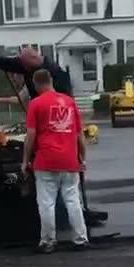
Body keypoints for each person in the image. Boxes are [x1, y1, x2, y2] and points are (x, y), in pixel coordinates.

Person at [21, 67, 88, 253]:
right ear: (51, 80)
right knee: (73, 201)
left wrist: (25, 160)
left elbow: (31, 135)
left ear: (36, 84)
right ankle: (80, 238)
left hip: (46, 161)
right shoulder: (69, 102)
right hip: (70, 161)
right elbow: (79, 134)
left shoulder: (35, 104)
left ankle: (48, 241)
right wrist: (82, 158)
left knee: (47, 203)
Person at [0, 46, 73, 106]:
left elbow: (67, 101)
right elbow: (7, 63)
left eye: (26, 66)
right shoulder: (27, 65)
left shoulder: (58, 75)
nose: (24, 68)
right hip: (38, 111)